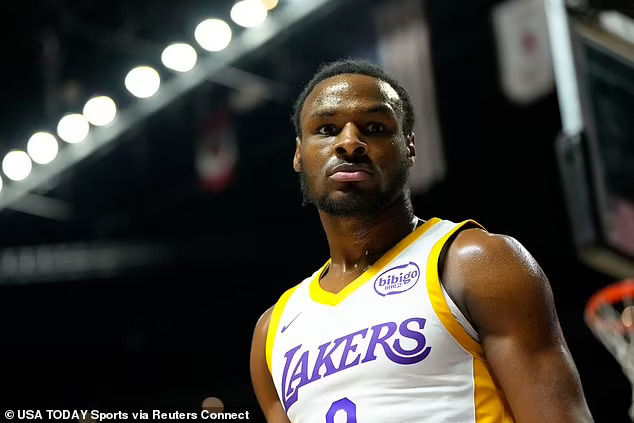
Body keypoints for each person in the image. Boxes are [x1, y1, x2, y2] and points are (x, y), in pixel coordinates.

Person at [249, 59, 594, 423]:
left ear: (409, 148)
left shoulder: (475, 262)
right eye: (327, 128)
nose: (350, 142)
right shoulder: (273, 332)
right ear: (299, 154)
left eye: (375, 127)